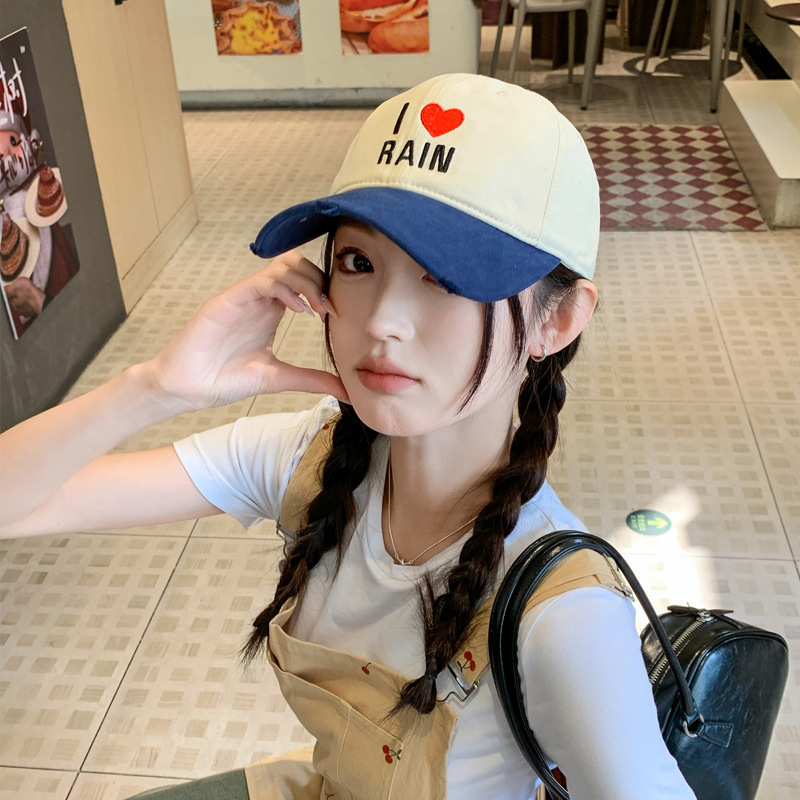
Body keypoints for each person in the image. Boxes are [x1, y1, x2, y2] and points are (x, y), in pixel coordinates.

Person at [0, 74, 697, 800]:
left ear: (558, 321)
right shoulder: (315, 459)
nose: (382, 320)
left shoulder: (565, 615)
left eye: (447, 278)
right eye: (359, 263)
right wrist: (157, 387)